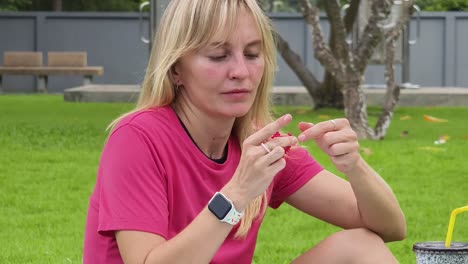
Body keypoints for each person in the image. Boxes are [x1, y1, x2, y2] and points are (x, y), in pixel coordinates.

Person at [83, 0, 406, 263]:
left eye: (252, 54)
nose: (241, 72)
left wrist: (355, 166)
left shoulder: (260, 143)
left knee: (361, 246)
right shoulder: (136, 138)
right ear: (176, 69)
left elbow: (391, 227)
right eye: (218, 56)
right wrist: (235, 194)